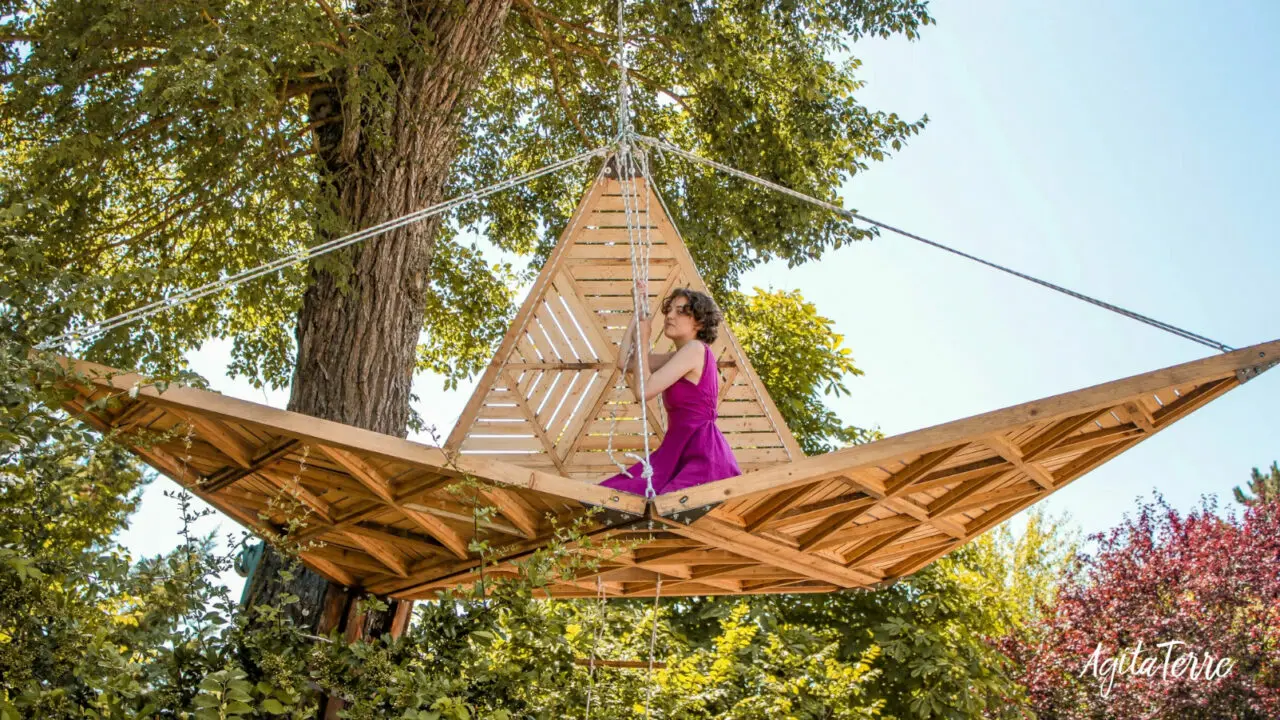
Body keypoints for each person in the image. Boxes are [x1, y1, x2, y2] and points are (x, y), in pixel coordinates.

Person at [599, 281, 742, 496]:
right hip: (677, 448)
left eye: (681, 312)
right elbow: (626, 362)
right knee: (616, 492)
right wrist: (637, 313)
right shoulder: (678, 356)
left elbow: (643, 391)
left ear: (699, 323)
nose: (670, 316)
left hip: (699, 450)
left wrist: (644, 339)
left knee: (631, 498)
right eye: (670, 310)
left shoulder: (695, 349)